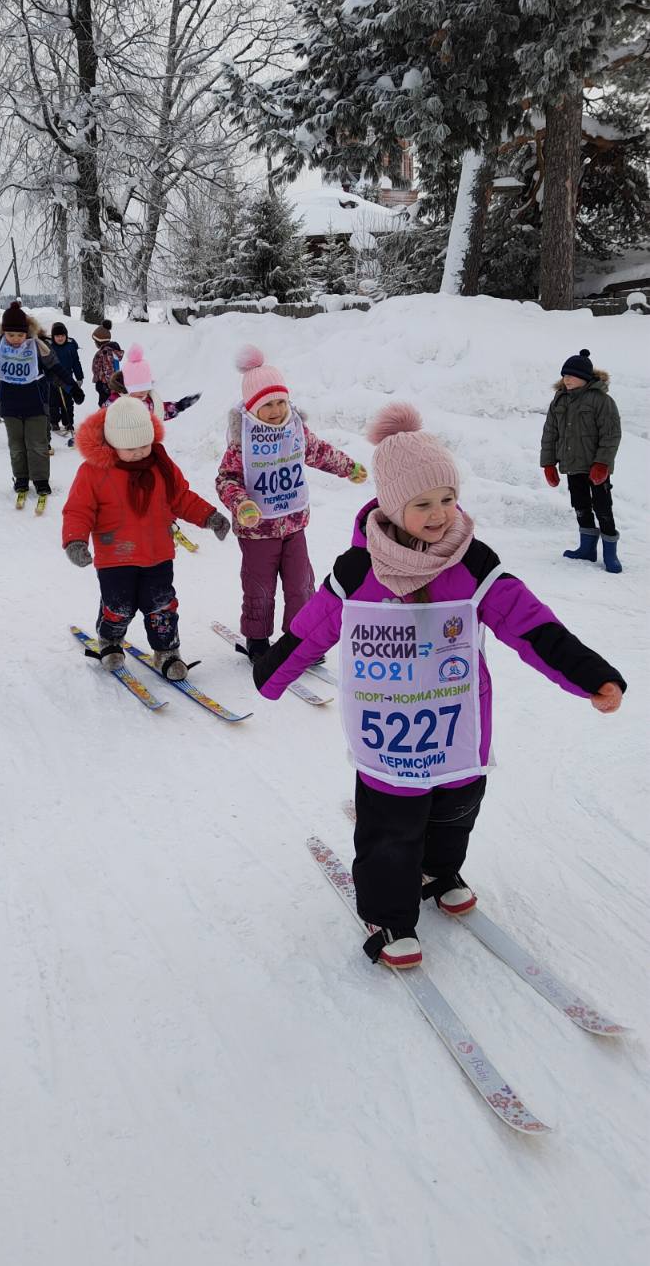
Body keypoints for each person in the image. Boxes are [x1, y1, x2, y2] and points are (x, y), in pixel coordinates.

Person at [252, 402, 626, 969]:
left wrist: (591, 674)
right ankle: (389, 915)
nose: (440, 514)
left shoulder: (473, 565)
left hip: (456, 728)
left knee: (456, 809)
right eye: (422, 504)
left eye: (448, 499)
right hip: (388, 735)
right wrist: (273, 673)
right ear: (390, 505)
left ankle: (438, 869)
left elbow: (533, 625)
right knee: (390, 826)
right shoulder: (359, 572)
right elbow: (313, 629)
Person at [215, 344, 368, 659]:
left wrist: (348, 467)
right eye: (267, 404)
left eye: (281, 402)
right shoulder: (243, 441)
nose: (276, 410)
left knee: (301, 585)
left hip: (294, 523)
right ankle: (257, 639)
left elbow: (320, 452)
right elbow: (226, 479)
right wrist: (241, 503)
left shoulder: (294, 430)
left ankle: (299, 637)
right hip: (257, 531)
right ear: (251, 407)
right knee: (260, 587)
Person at [62, 395, 230, 680]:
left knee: (161, 605)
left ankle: (167, 652)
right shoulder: (94, 471)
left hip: (157, 553)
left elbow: (181, 497)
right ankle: (110, 641)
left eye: (144, 445)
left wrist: (209, 516)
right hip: (115, 557)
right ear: (112, 443)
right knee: (119, 605)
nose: (140, 452)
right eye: (130, 447)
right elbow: (79, 509)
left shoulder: (160, 465)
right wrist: (75, 542)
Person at [0, 302, 76, 502]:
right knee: (16, 446)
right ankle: (21, 478)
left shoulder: (38, 348)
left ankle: (41, 479)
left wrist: (73, 388)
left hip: (36, 405)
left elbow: (55, 370)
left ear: (27, 332)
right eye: (10, 335)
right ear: (3, 333)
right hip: (10, 406)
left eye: (19, 335)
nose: (15, 339)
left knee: (37, 444)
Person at [540, 347, 622, 573]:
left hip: (596, 467)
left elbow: (611, 434)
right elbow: (550, 433)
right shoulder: (559, 400)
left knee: (603, 507)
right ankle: (586, 548)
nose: (566, 379)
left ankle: (610, 554)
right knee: (580, 505)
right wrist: (548, 463)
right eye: (564, 375)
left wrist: (602, 463)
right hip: (572, 465)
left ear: (584, 378)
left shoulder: (601, 401)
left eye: (571, 375)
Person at [104, 343, 200, 421]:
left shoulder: (149, 401)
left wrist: (179, 406)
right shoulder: (115, 402)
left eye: (145, 387)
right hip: (122, 442)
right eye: (138, 388)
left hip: (145, 442)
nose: (142, 392)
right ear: (127, 386)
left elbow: (160, 412)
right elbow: (101, 422)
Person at [48, 321, 84, 444]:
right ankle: (54, 422)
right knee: (53, 402)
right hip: (52, 380)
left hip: (68, 379)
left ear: (66, 336)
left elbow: (76, 362)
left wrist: (79, 377)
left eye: (62, 336)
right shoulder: (49, 346)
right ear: (53, 337)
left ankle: (68, 422)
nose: (60, 338)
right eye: (57, 336)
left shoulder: (70, 346)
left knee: (68, 403)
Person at [91, 319, 124, 406]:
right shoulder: (109, 351)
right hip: (107, 385)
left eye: (95, 342)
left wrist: (109, 387)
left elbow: (109, 370)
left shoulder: (106, 353)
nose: (94, 344)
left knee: (105, 406)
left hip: (106, 386)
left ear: (100, 342)